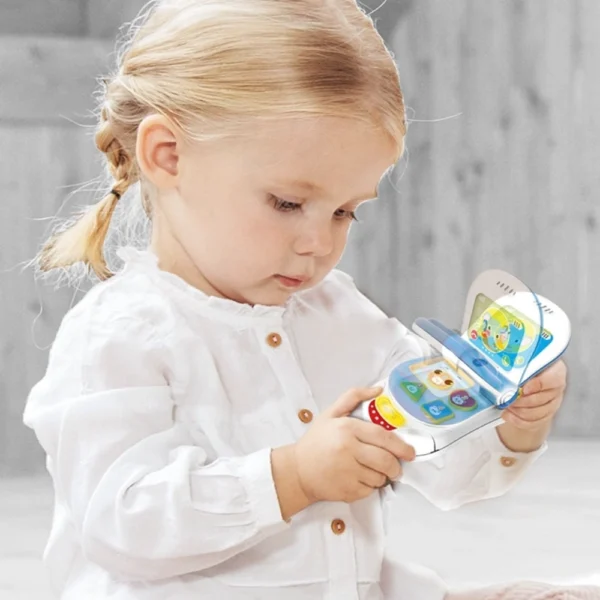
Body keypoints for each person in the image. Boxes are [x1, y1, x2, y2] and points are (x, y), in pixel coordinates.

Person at [23, 1, 568, 598]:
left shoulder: (341, 315)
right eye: (287, 203)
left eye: (344, 212)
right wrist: (291, 477)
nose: (319, 244)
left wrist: (511, 425)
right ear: (168, 155)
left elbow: (448, 472)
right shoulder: (120, 335)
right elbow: (123, 524)